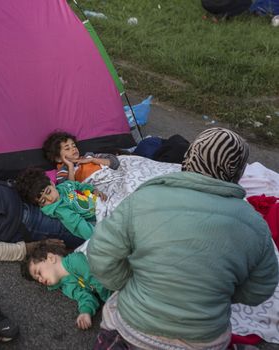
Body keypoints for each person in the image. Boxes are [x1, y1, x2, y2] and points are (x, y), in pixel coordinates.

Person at [87, 128, 278, 349]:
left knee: (114, 314)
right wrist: (219, 292)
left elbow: (101, 252)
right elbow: (260, 289)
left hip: (134, 330)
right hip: (206, 341)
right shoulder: (254, 224)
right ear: (237, 172)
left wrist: (127, 282)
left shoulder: (144, 199)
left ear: (189, 157)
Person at [21, 241, 111, 330]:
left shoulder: (76, 260)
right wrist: (85, 312)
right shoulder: (66, 287)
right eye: (37, 279)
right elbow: (84, 297)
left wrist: (110, 299)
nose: (40, 279)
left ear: (51, 258)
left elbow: (98, 280)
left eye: (39, 272)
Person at [15, 168, 106, 240]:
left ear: (52, 184)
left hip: (98, 202)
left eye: (48, 191)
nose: (50, 199)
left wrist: (93, 190)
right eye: (43, 201)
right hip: (96, 219)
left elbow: (78, 185)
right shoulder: (60, 209)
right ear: (40, 205)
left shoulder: (64, 186)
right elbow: (80, 226)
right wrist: (101, 239)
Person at [42, 131, 120, 184]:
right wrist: (70, 166)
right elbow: (70, 189)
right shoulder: (63, 172)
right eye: (67, 148)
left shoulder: (88, 156)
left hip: (112, 178)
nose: (73, 149)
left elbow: (115, 162)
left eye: (74, 146)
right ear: (58, 158)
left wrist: (92, 160)